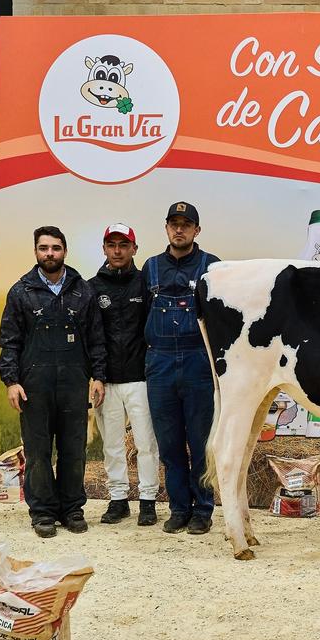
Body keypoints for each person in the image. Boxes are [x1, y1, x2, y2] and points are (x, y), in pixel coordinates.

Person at [0, 225, 106, 538]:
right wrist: (11, 381)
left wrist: (98, 376)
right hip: (35, 385)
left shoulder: (82, 290)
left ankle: (72, 509)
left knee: (74, 450)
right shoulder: (21, 291)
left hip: (74, 383)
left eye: (55, 248)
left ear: (65, 251)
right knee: (38, 451)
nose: (50, 253)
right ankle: (43, 512)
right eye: (44, 248)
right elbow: (10, 341)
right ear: (36, 251)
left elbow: (96, 339)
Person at [142, 202, 219, 536]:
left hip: (197, 362)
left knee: (201, 443)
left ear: (196, 230)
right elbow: (140, 317)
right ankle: (178, 509)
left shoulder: (212, 266)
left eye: (186, 224)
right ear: (166, 227)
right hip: (159, 364)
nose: (179, 229)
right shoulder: (150, 267)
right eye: (174, 223)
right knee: (170, 444)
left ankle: (202, 510)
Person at [89, 223, 160, 527]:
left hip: (140, 378)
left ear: (134, 249)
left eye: (123, 245)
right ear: (104, 249)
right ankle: (118, 500)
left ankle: (148, 501)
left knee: (146, 444)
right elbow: (92, 336)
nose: (117, 251)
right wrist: (97, 376)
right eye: (112, 245)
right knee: (112, 445)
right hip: (106, 381)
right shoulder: (92, 287)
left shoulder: (146, 284)